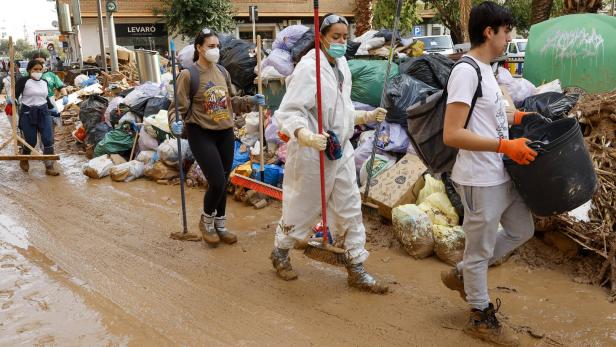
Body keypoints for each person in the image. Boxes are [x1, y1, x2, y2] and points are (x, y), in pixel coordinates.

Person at [269, 13, 388, 294]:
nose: (341, 42)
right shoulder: (309, 69)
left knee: (350, 207)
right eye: (336, 37)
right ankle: (281, 251)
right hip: (312, 153)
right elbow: (289, 111)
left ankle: (356, 266)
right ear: (321, 37)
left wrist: (365, 116)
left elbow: (340, 110)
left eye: (344, 37)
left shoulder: (342, 65)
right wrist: (306, 136)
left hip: (340, 148)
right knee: (302, 208)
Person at [441, 2, 538, 345]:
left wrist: (518, 120)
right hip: (479, 177)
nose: (510, 36)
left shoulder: (488, 70)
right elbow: (452, 133)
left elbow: (489, 118)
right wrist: (504, 147)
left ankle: (465, 274)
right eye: (507, 30)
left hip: (502, 173)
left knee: (522, 229)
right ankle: (479, 316)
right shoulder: (466, 71)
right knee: (480, 250)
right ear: (489, 32)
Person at [169, 28, 265, 247]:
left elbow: (230, 101)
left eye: (217, 46)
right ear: (199, 48)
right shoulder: (188, 75)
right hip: (201, 132)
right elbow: (177, 106)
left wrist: (250, 100)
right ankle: (207, 221)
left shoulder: (222, 71)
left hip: (225, 132)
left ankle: (221, 225)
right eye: (211, 46)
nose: (215, 50)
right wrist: (174, 121)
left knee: (223, 180)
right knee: (217, 181)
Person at [14, 60, 59, 176]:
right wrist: (12, 101)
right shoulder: (24, 81)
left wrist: (52, 108)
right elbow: (15, 95)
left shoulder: (44, 82)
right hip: (28, 113)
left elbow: (45, 97)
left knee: (48, 140)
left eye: (40, 69)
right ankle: (24, 158)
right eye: (35, 69)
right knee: (31, 140)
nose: (38, 72)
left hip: (44, 112)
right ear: (29, 70)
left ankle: (49, 166)